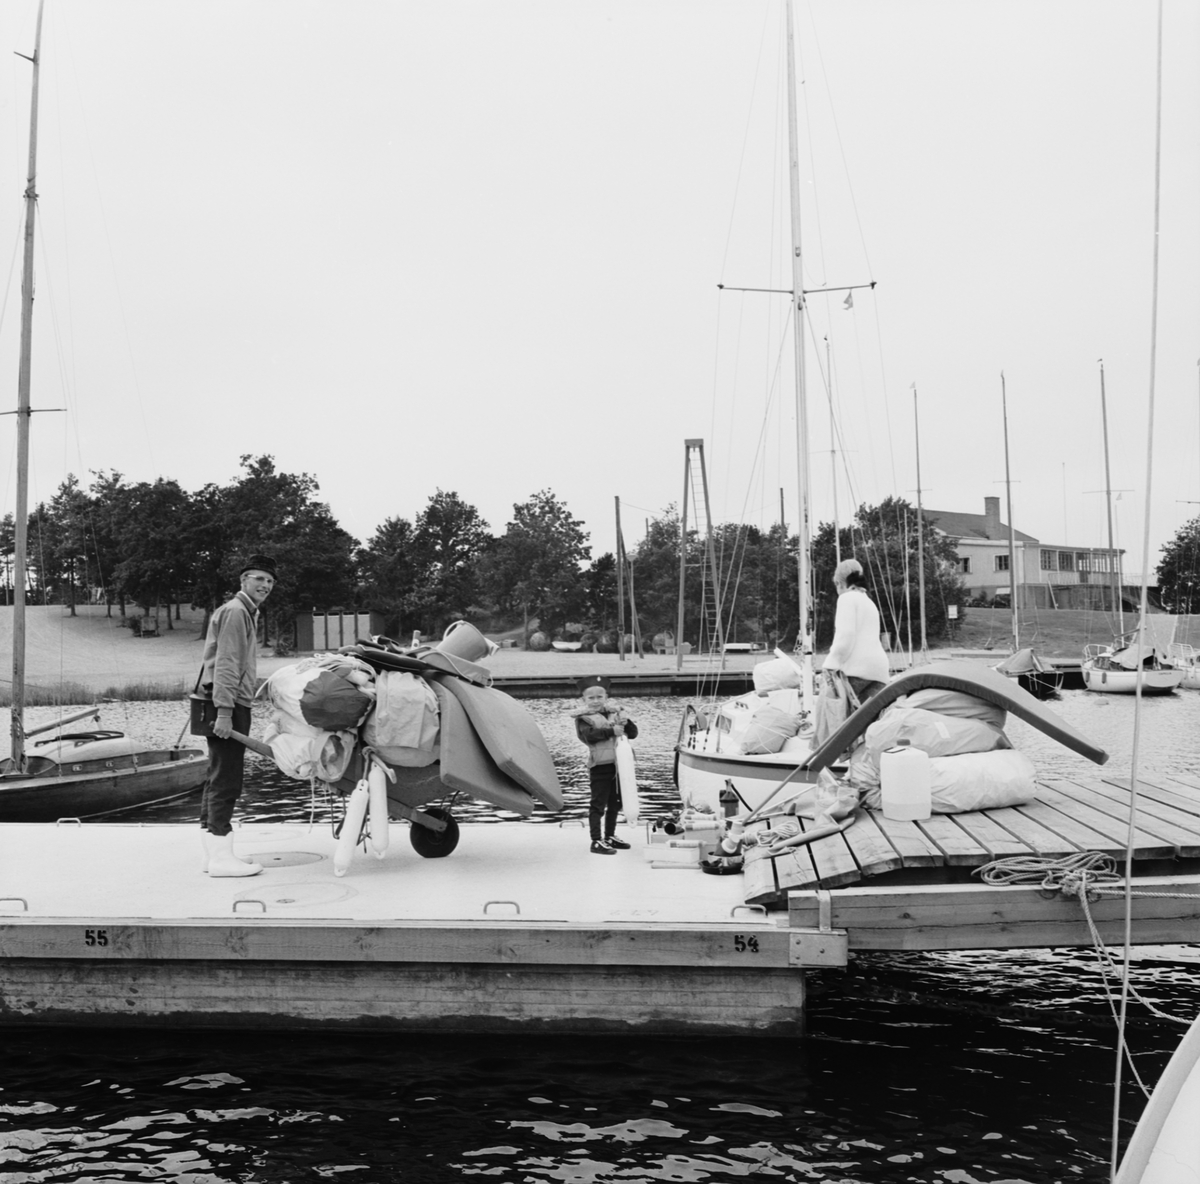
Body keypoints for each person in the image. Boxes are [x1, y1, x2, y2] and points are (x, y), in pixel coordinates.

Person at [198, 555, 277, 877]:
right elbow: (227, 664)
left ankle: (215, 853)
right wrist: (225, 712)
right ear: (244, 580)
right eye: (259, 579)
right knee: (227, 778)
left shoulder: (244, 611)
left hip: (227, 702)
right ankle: (220, 858)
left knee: (218, 774)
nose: (265, 585)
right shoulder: (236, 612)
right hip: (227, 704)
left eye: (270, 581)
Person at [572, 675, 638, 854]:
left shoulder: (615, 713)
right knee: (598, 804)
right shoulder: (583, 719)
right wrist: (611, 731)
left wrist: (626, 722)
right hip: (600, 767)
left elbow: (633, 734)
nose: (595, 701)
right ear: (584, 700)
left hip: (620, 767)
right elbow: (589, 736)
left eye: (599, 697)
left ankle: (610, 836)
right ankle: (596, 840)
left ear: (606, 697)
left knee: (615, 804)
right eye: (591, 698)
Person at [823, 557, 890, 703]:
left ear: (839, 583)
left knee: (834, 712)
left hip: (857, 669)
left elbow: (845, 636)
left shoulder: (846, 598)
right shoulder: (869, 602)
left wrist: (830, 664)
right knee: (870, 716)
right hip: (879, 669)